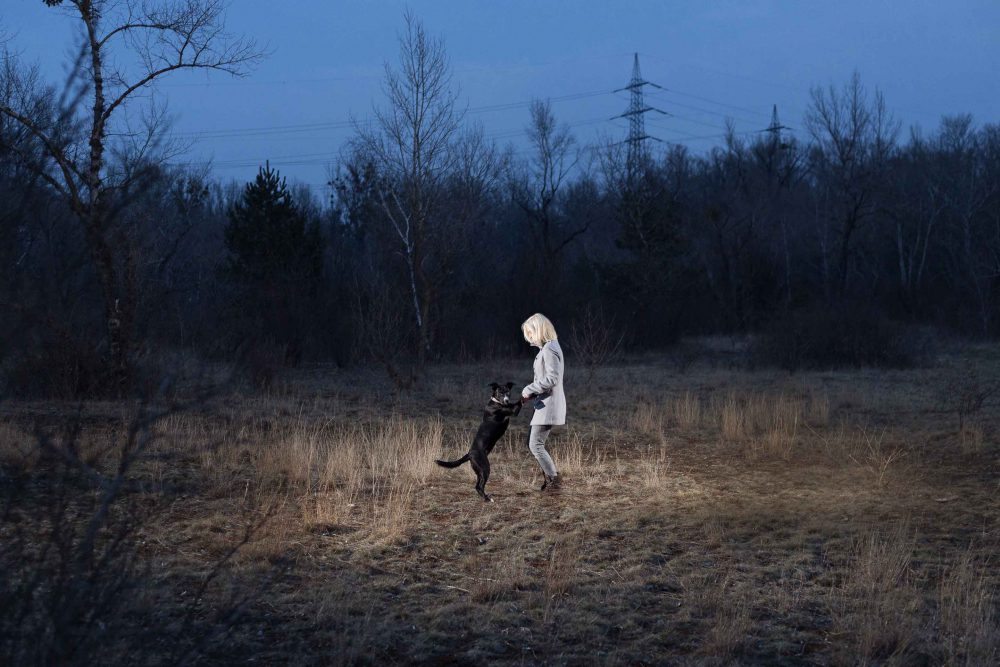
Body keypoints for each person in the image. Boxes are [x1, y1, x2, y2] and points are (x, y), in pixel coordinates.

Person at [519, 313, 566, 490]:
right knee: (533, 444)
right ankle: (551, 480)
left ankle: (554, 481)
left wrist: (528, 389)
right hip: (544, 404)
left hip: (549, 405)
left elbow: (552, 379)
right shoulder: (548, 348)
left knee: (535, 444)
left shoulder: (550, 349)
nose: (528, 338)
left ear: (538, 330)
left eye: (530, 333)